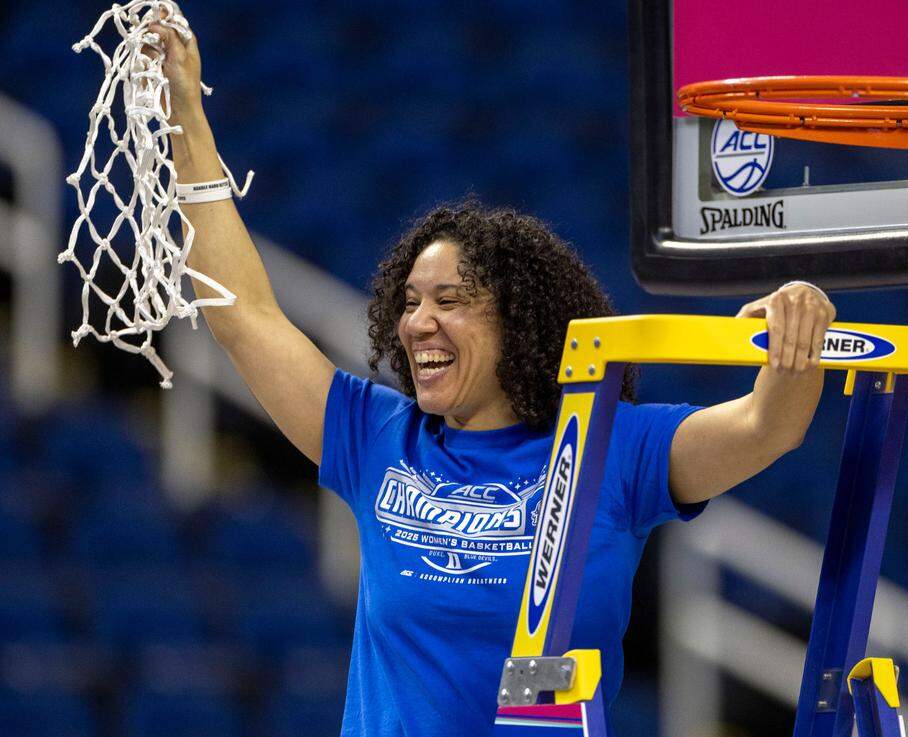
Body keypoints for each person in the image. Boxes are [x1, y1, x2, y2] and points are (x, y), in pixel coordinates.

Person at [147, 16, 836, 737]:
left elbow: (770, 424)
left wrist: (798, 334)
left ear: (519, 326)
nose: (418, 323)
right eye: (409, 302)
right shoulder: (376, 435)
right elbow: (243, 316)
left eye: (449, 302)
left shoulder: (612, 445)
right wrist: (188, 121)